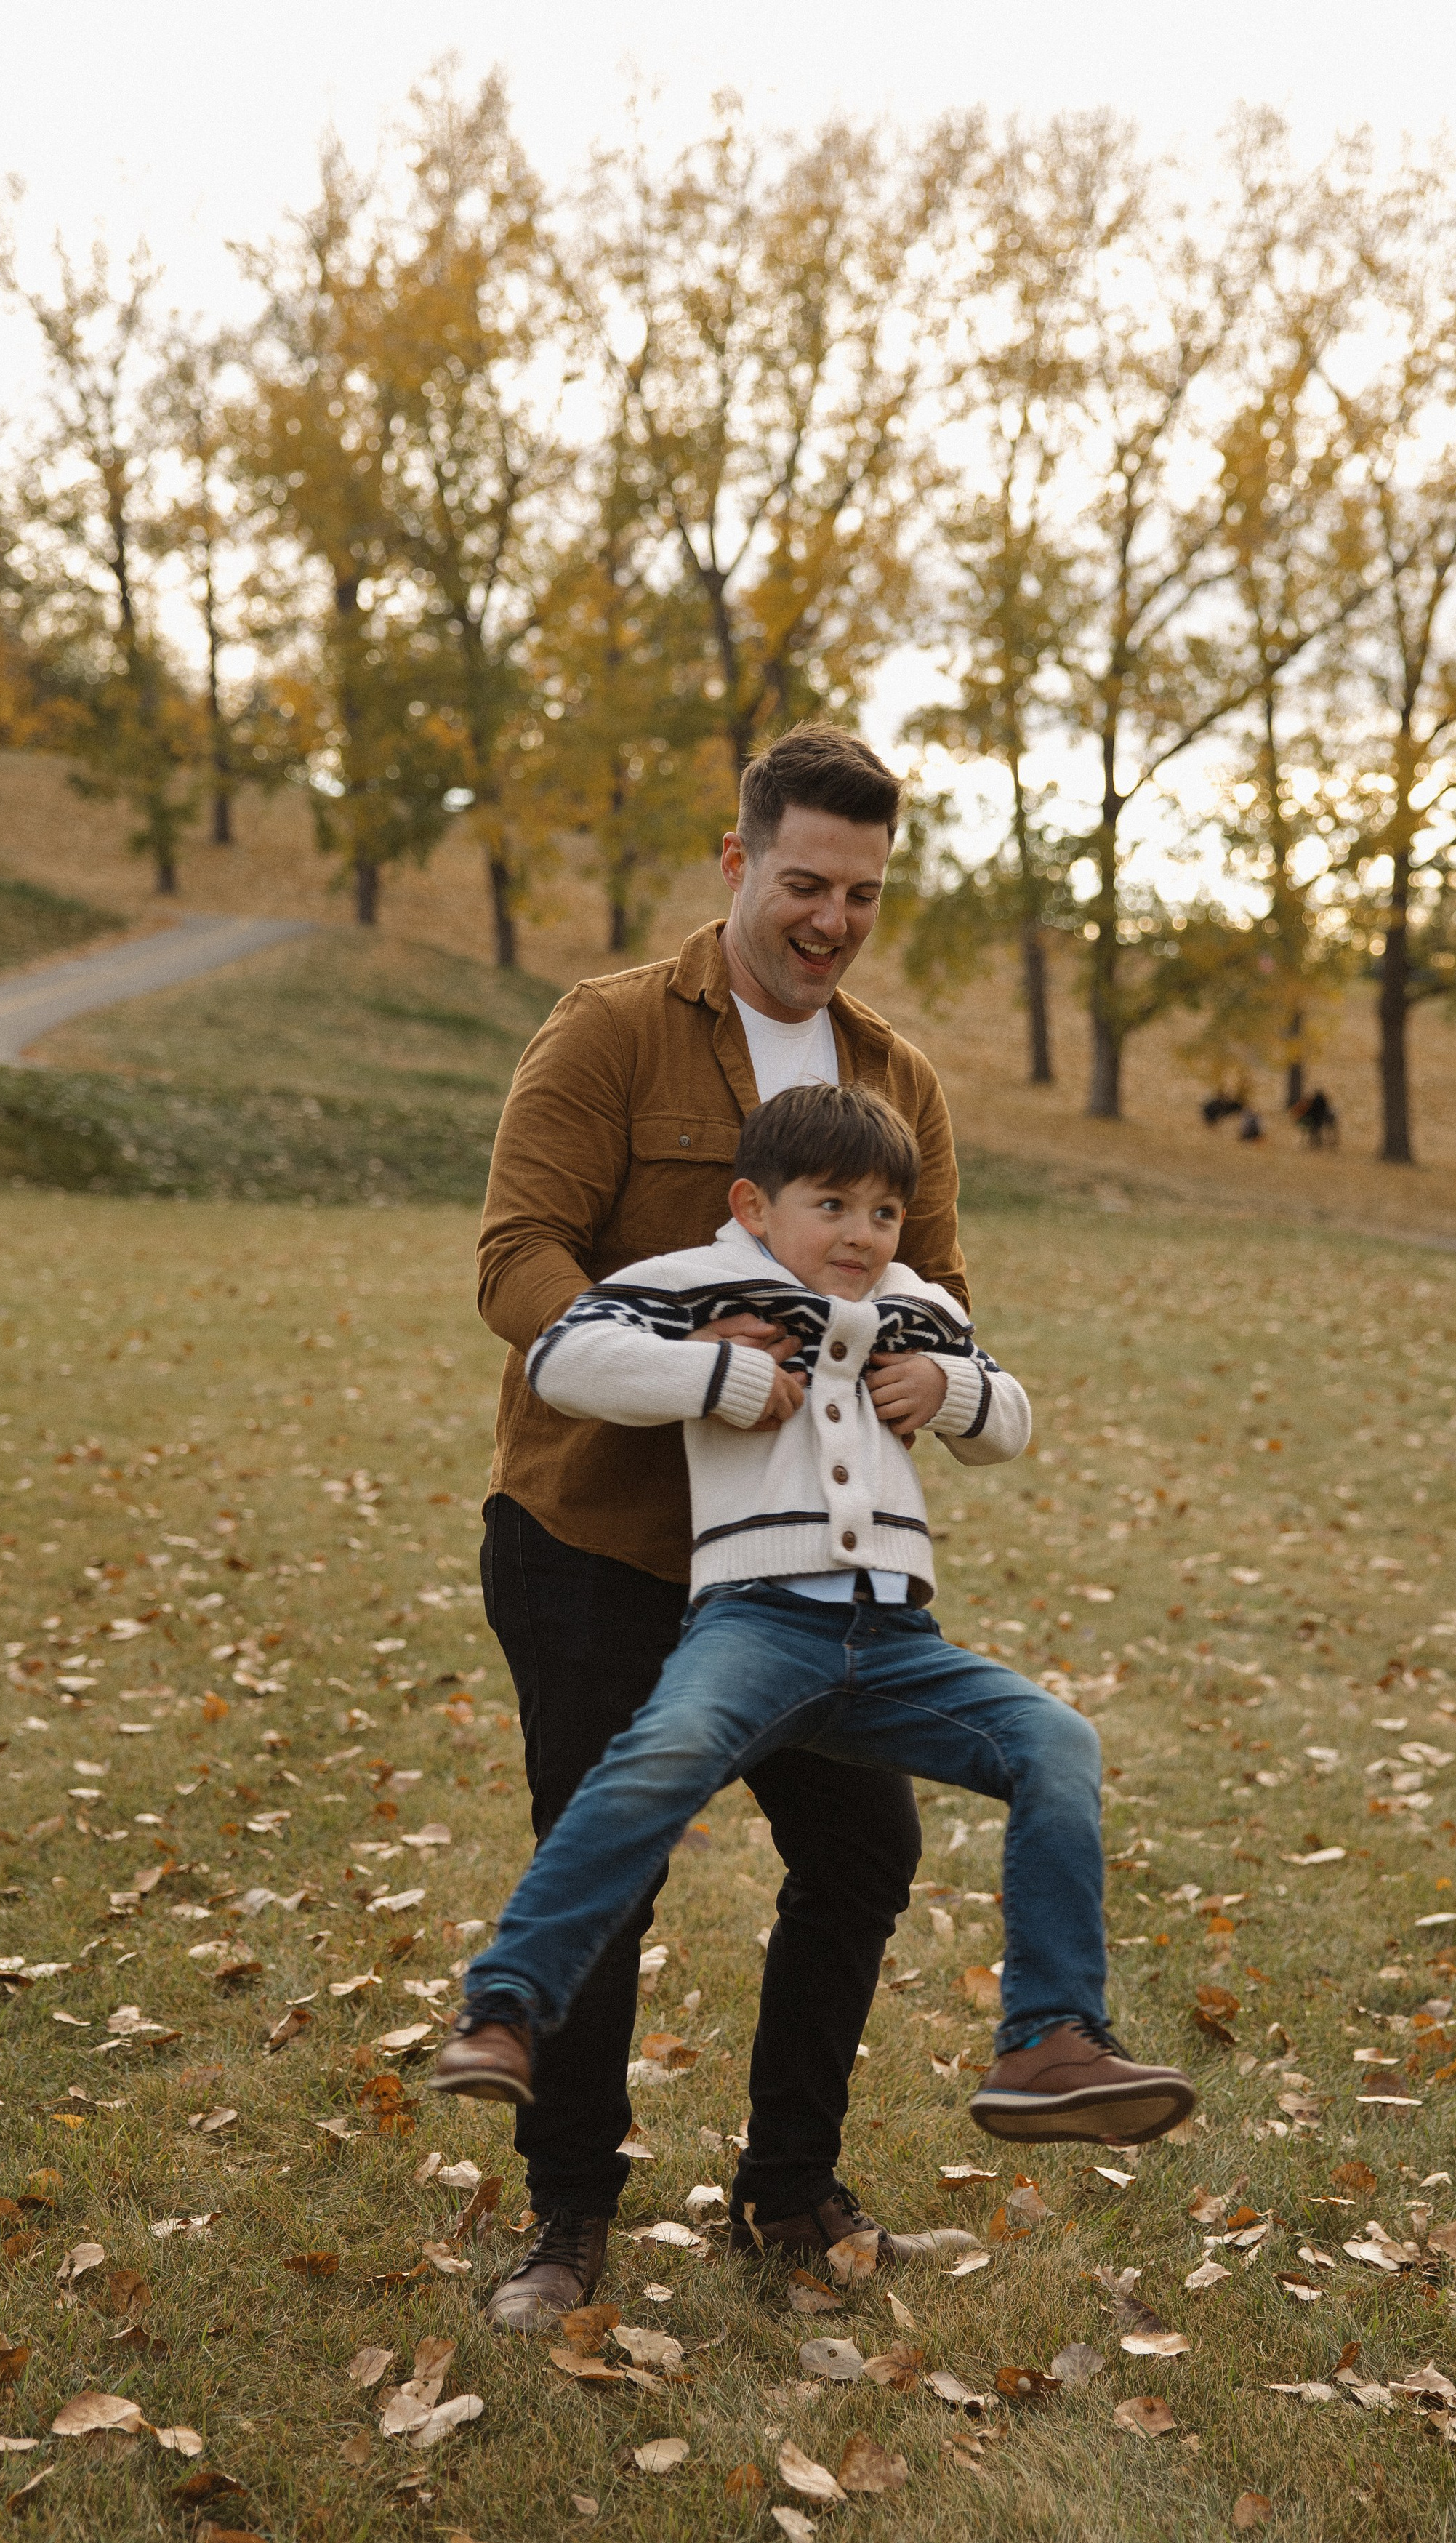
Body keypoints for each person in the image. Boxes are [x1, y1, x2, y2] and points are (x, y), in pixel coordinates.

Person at [435, 1084, 1196, 2193]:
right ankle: (507, 2006)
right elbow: (563, 1358)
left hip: (895, 1640)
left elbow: (1007, 1422)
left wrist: (950, 1387)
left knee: (1057, 1744)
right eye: (830, 1205)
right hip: (758, 1626)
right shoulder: (696, 1282)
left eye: (883, 1213)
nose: (859, 1235)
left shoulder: (918, 1302)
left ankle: (1048, 2039)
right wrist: (717, 1372)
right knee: (653, 1765)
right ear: (755, 1204)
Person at [453, 723, 972, 2333]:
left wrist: (929, 1371)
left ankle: (787, 2184)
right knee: (603, 1870)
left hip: (806, 1570)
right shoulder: (608, 1033)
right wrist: (680, 1371)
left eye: (863, 895)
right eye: (805, 882)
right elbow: (516, 1254)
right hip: (595, 1546)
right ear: (736, 863)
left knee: (862, 1847)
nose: (829, 920)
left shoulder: (895, 1078)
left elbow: (945, 1300)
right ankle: (567, 2217)